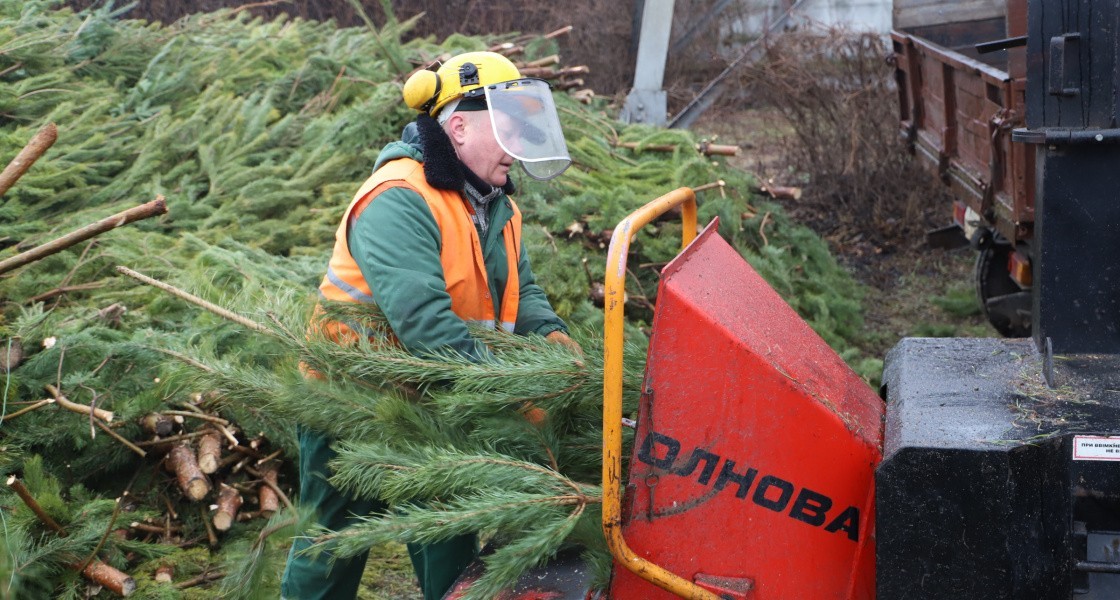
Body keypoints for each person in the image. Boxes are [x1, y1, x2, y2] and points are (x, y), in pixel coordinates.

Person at [280, 51, 580, 600]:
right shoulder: (399, 198)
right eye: (508, 124)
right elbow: (428, 329)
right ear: (459, 127)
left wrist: (559, 355)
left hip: (436, 402)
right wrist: (520, 394)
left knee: (450, 545)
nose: (519, 142)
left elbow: (525, 295)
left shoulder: (495, 207)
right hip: (353, 406)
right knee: (330, 547)